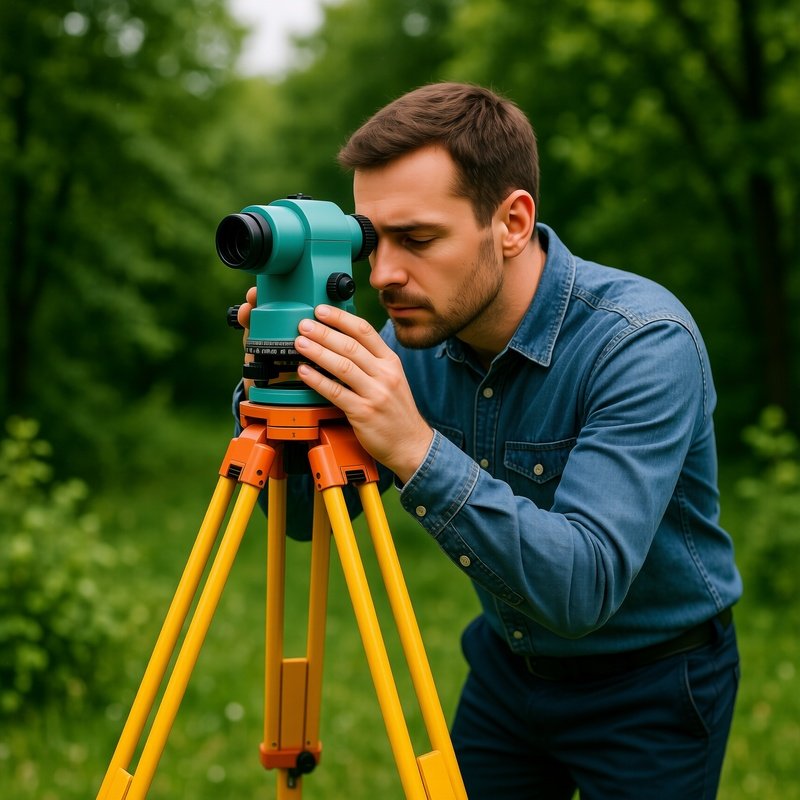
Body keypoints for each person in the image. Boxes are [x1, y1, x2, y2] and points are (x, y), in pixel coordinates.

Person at [233, 82, 741, 799]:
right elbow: (304, 520)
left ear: (511, 221)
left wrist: (413, 448)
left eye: (418, 240)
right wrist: (274, 394)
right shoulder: (407, 344)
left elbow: (582, 585)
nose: (383, 276)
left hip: (652, 687)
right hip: (507, 673)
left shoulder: (642, 343)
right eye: (372, 242)